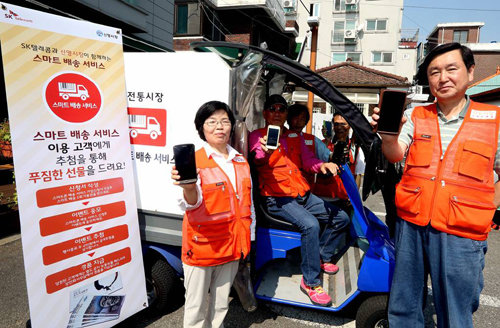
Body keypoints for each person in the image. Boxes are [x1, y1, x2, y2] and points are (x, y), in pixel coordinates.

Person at [371, 43, 500, 327]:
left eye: (451, 69)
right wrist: (388, 137)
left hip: (462, 232)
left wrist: (491, 205)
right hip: (412, 225)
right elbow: (395, 153)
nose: (442, 78)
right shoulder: (417, 115)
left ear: (470, 71)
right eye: (434, 72)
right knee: (404, 305)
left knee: (456, 310)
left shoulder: (494, 120)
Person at [249, 94, 350, 307]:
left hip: (301, 194)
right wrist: (265, 151)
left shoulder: (294, 136)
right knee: (311, 225)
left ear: (286, 115)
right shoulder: (257, 136)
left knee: (341, 217)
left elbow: (308, 160)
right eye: (273, 108)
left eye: (281, 109)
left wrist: (321, 166)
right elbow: (257, 158)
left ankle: (321, 256)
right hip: (277, 199)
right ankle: (311, 282)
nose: (277, 112)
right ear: (266, 113)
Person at [171, 100, 255, 328]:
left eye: (225, 121)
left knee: (220, 306)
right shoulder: (194, 161)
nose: (220, 127)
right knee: (196, 307)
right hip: (202, 248)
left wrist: (248, 239)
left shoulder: (240, 161)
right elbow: (190, 203)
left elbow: (248, 204)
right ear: (202, 128)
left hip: (232, 248)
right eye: (212, 122)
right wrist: (188, 187)